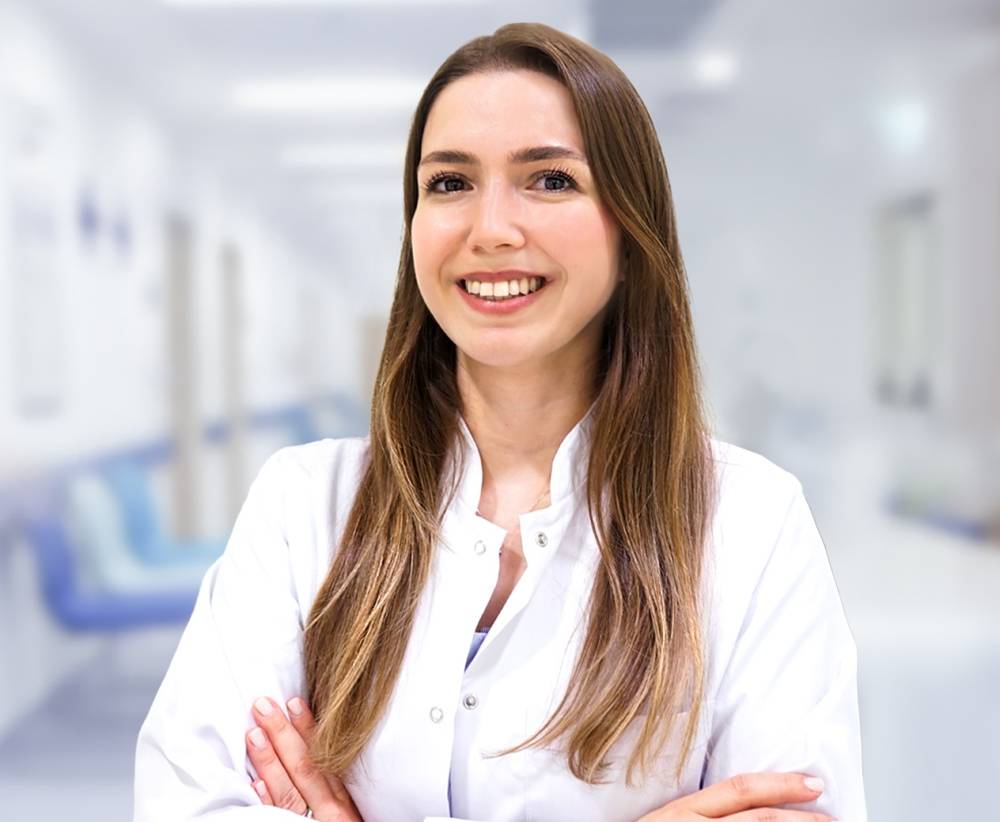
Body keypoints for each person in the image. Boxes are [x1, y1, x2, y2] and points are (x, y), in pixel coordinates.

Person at [133, 22, 866, 822]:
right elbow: (183, 805)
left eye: (549, 180)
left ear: (631, 227)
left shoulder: (750, 523)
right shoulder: (304, 504)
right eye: (449, 183)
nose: (490, 230)